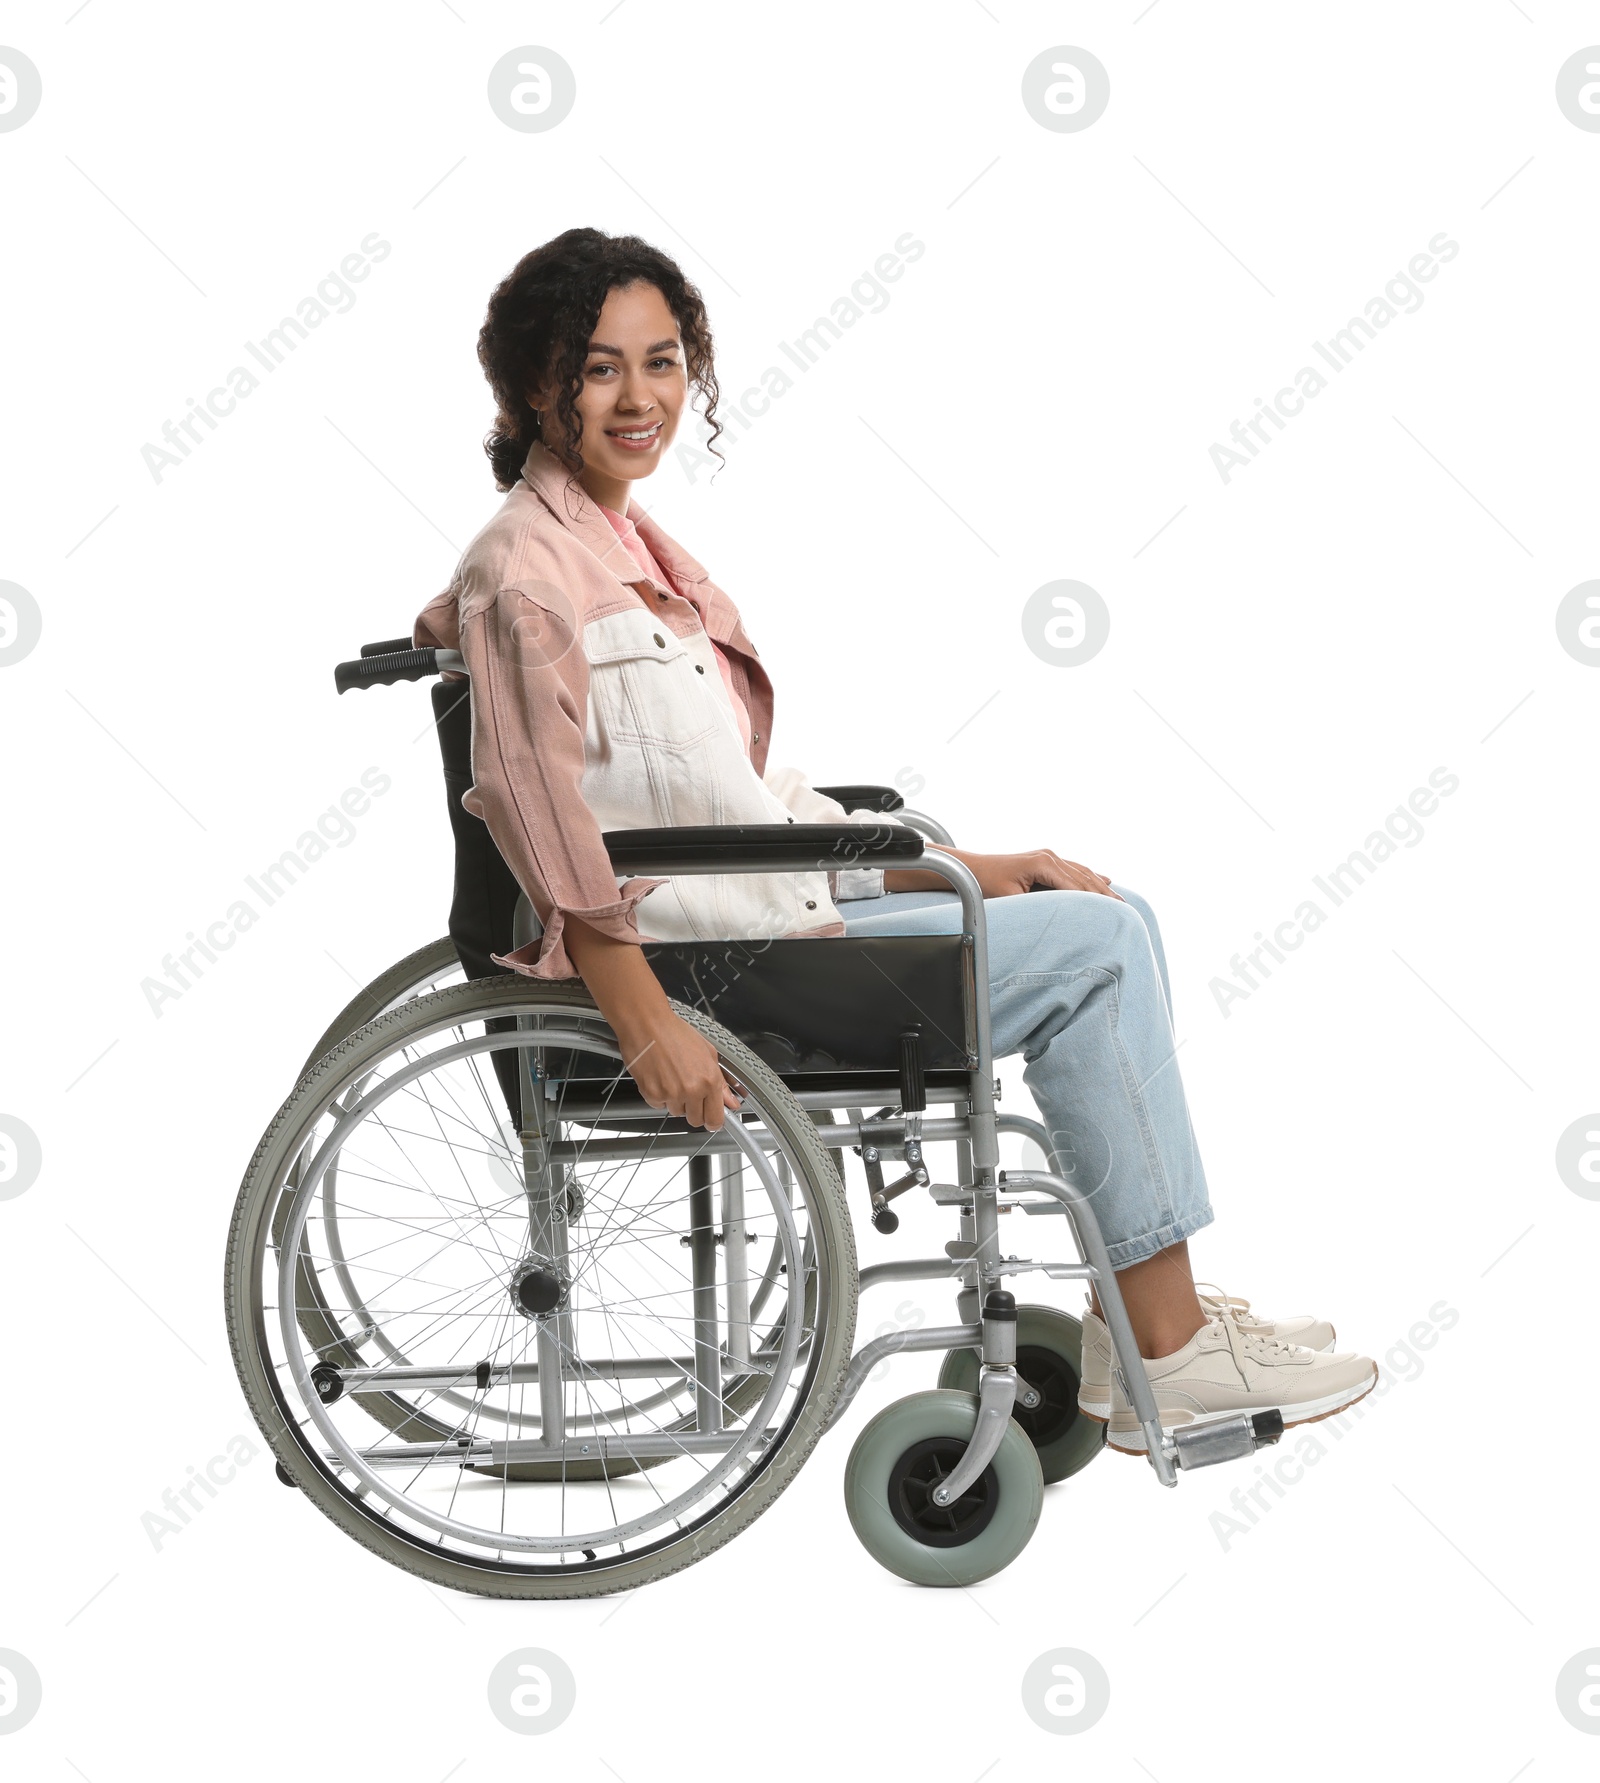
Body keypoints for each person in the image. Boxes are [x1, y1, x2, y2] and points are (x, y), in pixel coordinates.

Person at [414, 227, 1377, 1453]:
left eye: (663, 362)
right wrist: (646, 1018)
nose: (641, 397)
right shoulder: (527, 569)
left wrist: (966, 866)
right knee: (1091, 954)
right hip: (690, 964)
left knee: (1114, 913)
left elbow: (735, 812)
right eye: (599, 368)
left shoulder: (626, 550)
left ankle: (1138, 1315)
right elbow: (542, 821)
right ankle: (1169, 1349)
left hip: (744, 915)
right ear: (533, 384)